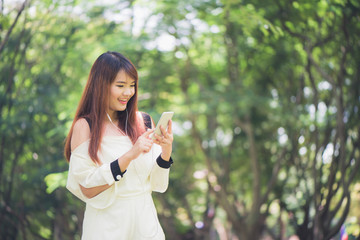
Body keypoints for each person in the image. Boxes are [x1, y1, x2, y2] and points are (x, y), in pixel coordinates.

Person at [64, 51, 174, 240]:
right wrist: (130, 154)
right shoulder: (85, 126)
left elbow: (157, 184)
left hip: (146, 225)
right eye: (120, 85)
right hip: (107, 227)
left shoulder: (144, 121)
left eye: (132, 85)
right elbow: (87, 188)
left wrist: (166, 150)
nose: (128, 92)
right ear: (101, 86)